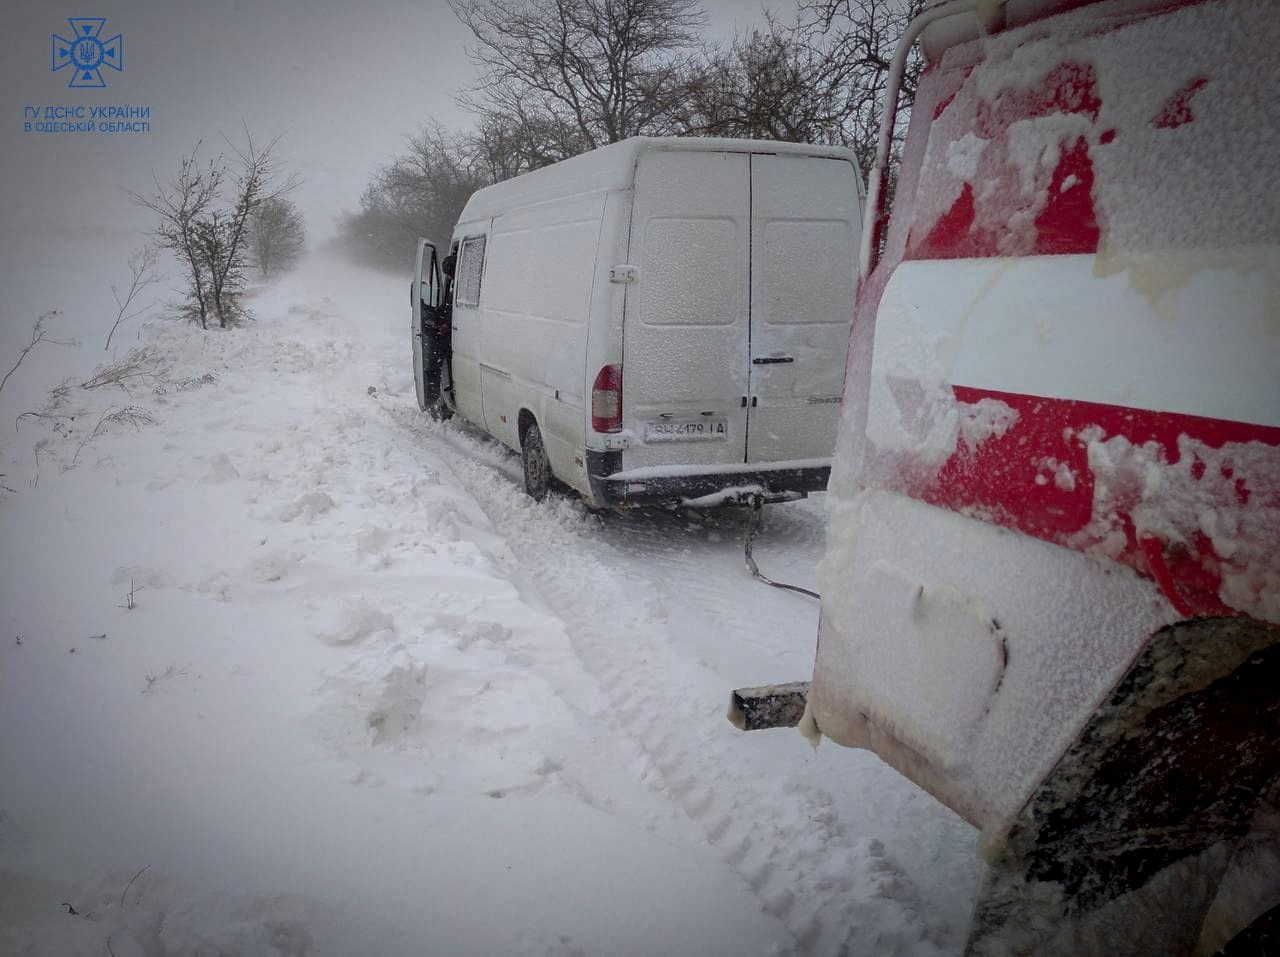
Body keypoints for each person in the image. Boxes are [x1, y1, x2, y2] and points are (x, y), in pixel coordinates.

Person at [423, 245, 457, 418]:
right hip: (454, 335)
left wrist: (443, 325)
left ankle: (435, 395)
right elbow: (447, 310)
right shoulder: (457, 289)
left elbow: (453, 313)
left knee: (434, 362)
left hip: (454, 338)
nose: (449, 277)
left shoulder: (458, 290)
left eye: (449, 273)